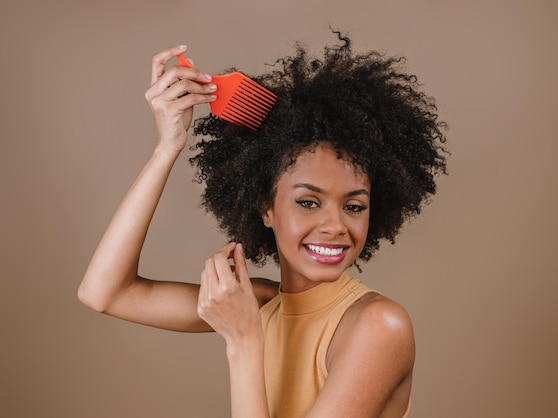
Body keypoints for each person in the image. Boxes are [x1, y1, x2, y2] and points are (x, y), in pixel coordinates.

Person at [78, 33, 447, 417]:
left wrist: (242, 341)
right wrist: (167, 147)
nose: (335, 226)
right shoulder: (261, 304)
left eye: (354, 206)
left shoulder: (379, 326)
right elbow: (104, 292)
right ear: (265, 208)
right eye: (308, 202)